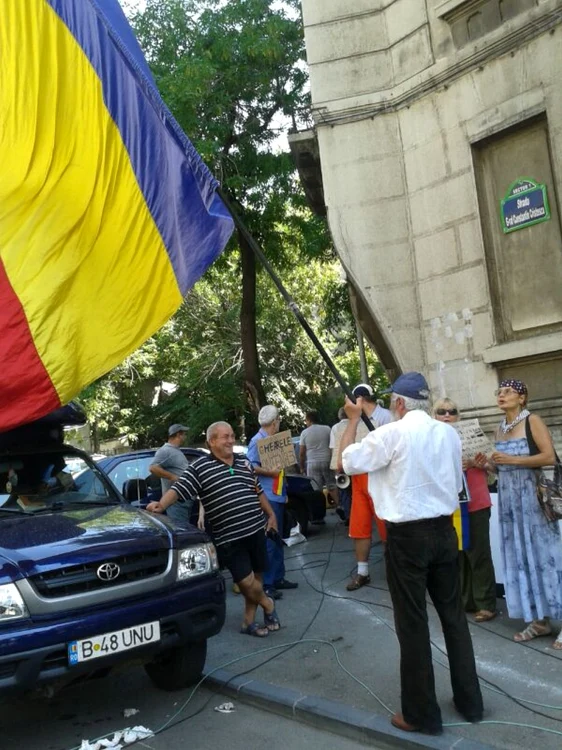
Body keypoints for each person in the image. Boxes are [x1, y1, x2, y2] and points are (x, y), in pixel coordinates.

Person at [342, 372, 483, 735]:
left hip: (407, 537)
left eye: (393, 401)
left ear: (400, 403)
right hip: (442, 530)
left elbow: (347, 461)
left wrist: (354, 420)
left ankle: (421, 714)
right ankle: (471, 702)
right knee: (453, 617)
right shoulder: (447, 433)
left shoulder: (390, 434)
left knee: (413, 623)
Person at [147, 421, 281, 638]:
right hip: (229, 537)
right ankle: (268, 604)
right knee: (245, 582)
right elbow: (179, 489)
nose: (230, 440)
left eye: (232, 436)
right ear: (211, 442)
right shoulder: (200, 467)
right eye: (225, 437)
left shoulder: (244, 462)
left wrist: (271, 514)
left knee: (256, 579)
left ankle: (248, 623)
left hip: (256, 529)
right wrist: (161, 505)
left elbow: (257, 491)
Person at [476, 379, 562, 649]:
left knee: (547, 557)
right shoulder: (499, 427)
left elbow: (549, 457)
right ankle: (539, 620)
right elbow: (502, 468)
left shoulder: (532, 420)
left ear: (522, 398)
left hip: (533, 499)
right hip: (510, 503)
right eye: (499, 392)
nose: (502, 396)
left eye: (508, 392)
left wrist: (512, 460)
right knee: (522, 558)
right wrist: (488, 465)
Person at [433, 398, 497, 622]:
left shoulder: (474, 435)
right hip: (448, 505)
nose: (447, 415)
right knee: (456, 554)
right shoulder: (431, 439)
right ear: (435, 415)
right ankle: (465, 600)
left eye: (452, 411)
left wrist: (479, 463)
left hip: (476, 501)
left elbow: (495, 468)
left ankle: (486, 603)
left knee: (479, 553)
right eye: (442, 411)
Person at [338, 383, 392, 591]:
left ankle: (394, 568)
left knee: (387, 525)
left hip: (380, 477)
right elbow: (343, 457)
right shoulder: (352, 419)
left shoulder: (385, 417)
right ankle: (362, 572)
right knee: (359, 527)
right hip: (359, 479)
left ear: (359, 399)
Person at [247, 405, 298, 601]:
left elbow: (280, 468)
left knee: (277, 538)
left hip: (276, 494)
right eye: (278, 420)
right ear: (274, 421)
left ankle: (278, 577)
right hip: (267, 497)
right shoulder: (257, 441)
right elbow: (251, 467)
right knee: (269, 539)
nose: (279, 423)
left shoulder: (272, 440)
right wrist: (271, 473)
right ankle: (267, 583)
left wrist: (283, 489)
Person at [149, 424, 191, 525]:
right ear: (178, 435)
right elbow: (153, 468)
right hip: (175, 503)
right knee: (180, 532)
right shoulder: (166, 450)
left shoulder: (176, 451)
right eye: (184, 434)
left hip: (183, 503)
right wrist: (173, 477)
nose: (185, 437)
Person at [299, 411, 336, 505]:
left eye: (306, 420)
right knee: (332, 486)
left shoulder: (304, 433)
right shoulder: (327, 429)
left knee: (316, 489)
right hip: (327, 461)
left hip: (312, 464)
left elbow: (302, 453)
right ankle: (340, 506)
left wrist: (302, 467)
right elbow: (333, 445)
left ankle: (319, 513)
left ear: (309, 420)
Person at [329, 407, 351, 521]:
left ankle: (348, 516)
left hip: (341, 463)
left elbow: (334, 448)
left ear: (339, 416)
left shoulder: (335, 428)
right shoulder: (356, 424)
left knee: (344, 489)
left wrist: (335, 467)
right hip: (355, 462)